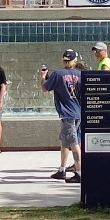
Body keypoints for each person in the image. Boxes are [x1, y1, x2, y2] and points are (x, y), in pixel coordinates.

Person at [42, 49, 85, 181]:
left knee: (73, 143)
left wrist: (43, 77)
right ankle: (62, 170)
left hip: (67, 113)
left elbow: (44, 88)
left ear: (63, 60)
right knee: (65, 142)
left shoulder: (58, 74)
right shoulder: (80, 75)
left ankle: (79, 173)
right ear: (75, 61)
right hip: (78, 112)